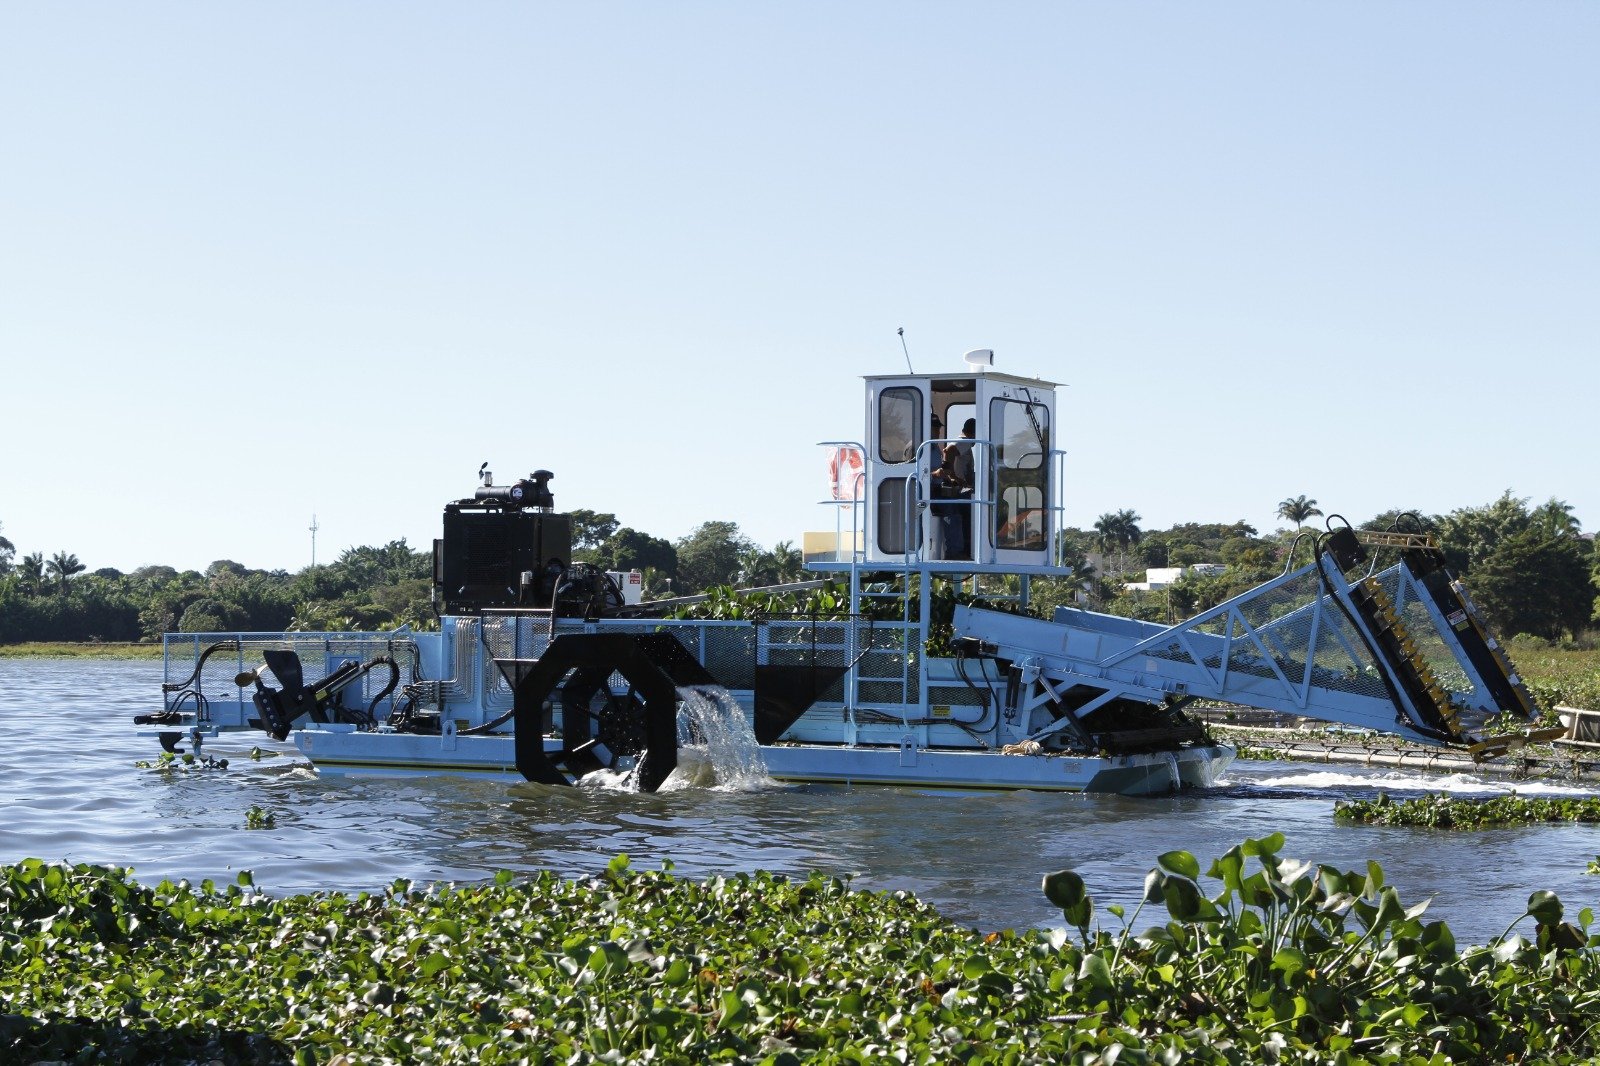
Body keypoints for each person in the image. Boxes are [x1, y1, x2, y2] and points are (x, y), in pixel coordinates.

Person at [931, 443, 967, 560]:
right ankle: (954, 552)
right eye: (935, 427)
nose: (938, 430)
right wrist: (935, 474)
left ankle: (961, 549)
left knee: (959, 503)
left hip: (937, 489)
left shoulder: (934, 447)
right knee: (951, 508)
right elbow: (914, 471)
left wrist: (952, 478)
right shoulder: (917, 447)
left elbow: (940, 470)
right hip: (925, 492)